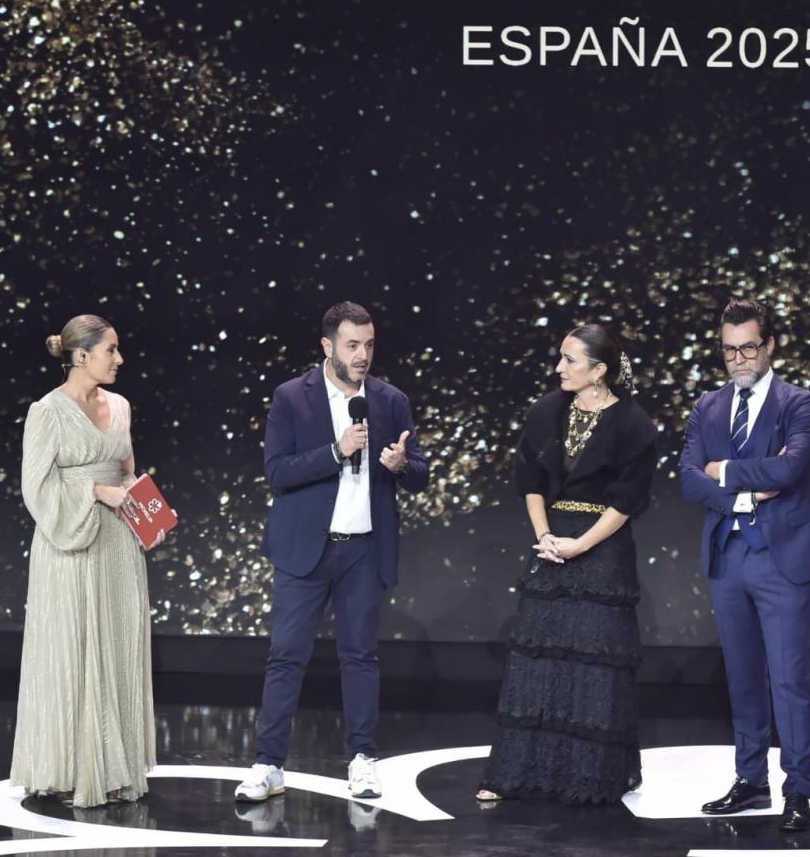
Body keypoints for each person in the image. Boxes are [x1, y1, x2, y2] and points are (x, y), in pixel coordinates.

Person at [235, 302, 429, 803]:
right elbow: (276, 472)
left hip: (363, 550)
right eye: (352, 345)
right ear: (328, 347)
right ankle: (268, 764)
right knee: (286, 657)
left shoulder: (390, 401)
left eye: (368, 345)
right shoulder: (291, 398)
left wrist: (402, 463)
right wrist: (336, 451)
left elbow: (422, 474)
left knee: (360, 657)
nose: (362, 355)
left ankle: (363, 759)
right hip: (305, 552)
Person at [477, 323, 657, 805]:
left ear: (599, 370)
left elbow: (628, 499)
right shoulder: (547, 410)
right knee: (539, 659)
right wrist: (545, 537)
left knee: (593, 666)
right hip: (550, 543)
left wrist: (580, 546)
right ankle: (516, 771)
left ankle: (591, 775)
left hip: (602, 548)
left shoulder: (633, 423)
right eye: (560, 358)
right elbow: (531, 478)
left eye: (570, 360)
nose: (559, 368)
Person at [679, 299, 810, 832]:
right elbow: (688, 477)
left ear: (769, 346)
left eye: (748, 346)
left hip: (781, 558)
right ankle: (751, 780)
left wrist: (725, 471)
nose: (738, 358)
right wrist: (742, 493)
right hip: (727, 553)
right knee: (742, 677)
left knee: (789, 680)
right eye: (729, 349)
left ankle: (797, 789)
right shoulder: (708, 406)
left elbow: (789, 469)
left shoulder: (800, 403)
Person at [11, 314, 156, 808]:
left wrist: (147, 507)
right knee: (73, 649)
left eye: (117, 349)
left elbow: (128, 468)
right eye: (110, 349)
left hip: (116, 544)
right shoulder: (47, 411)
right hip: (69, 543)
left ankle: (113, 770)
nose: (119, 358)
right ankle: (72, 768)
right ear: (81, 355)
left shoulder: (120, 406)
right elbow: (36, 487)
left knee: (115, 648)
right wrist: (95, 490)